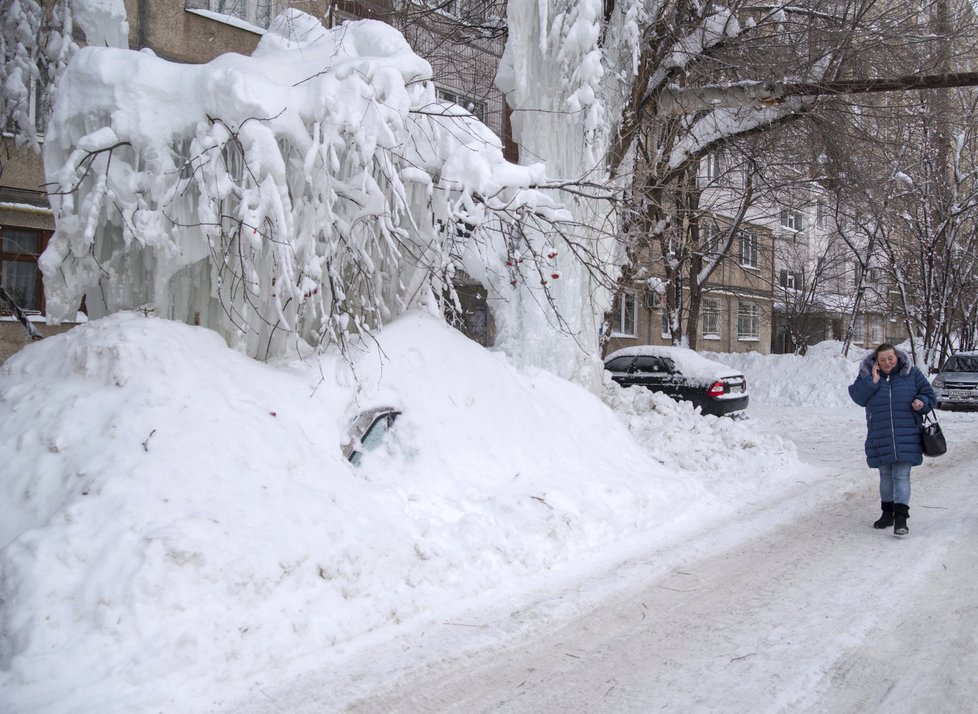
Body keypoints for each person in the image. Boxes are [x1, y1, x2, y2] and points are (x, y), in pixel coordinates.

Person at [848, 343, 937, 535]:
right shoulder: (867, 376)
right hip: (880, 434)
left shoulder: (911, 374)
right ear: (876, 361)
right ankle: (887, 514)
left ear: (897, 357)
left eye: (890, 358)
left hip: (907, 434)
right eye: (883, 359)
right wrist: (872, 380)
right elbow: (857, 397)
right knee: (886, 476)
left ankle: (901, 519)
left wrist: (922, 403)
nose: (887, 362)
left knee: (901, 475)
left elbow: (930, 395)